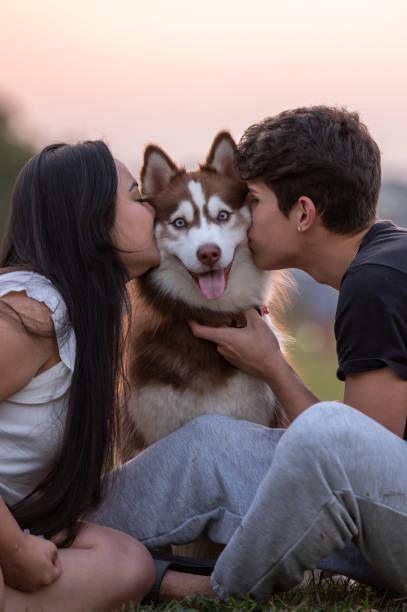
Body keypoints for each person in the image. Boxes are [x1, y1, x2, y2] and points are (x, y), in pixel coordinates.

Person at [92, 106, 407, 602]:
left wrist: (272, 367)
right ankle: (69, 532)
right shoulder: (388, 262)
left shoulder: (377, 284)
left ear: (303, 213)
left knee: (325, 434)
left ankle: (214, 588)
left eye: (252, 202)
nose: (242, 220)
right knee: (211, 442)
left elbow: (352, 463)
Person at [0, 140, 159, 611]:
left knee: (127, 562)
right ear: (93, 218)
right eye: (136, 195)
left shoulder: (85, 315)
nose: (153, 206)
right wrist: (14, 550)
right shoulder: (31, 313)